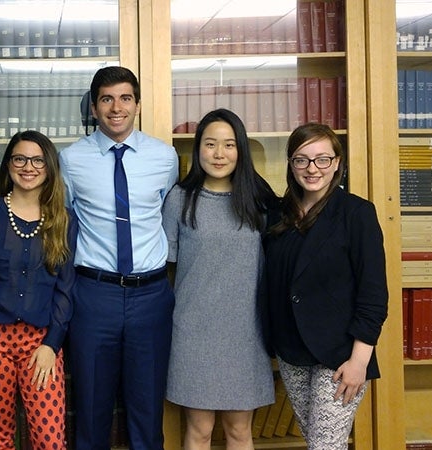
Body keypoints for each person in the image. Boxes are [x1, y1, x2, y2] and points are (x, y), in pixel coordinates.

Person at [58, 65, 178, 450]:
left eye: (125, 98)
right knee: (91, 411)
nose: (116, 107)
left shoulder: (165, 157)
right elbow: (65, 221)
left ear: (137, 104)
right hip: (94, 296)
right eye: (107, 99)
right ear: (94, 108)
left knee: (146, 412)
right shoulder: (71, 160)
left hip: (151, 296)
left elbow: (166, 215)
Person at [263, 123, 388, 450]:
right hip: (291, 350)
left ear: (337, 163)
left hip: (340, 354)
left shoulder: (357, 213)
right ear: (291, 164)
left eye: (322, 159)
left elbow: (374, 294)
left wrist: (359, 361)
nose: (312, 168)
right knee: (319, 442)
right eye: (301, 160)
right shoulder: (280, 215)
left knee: (325, 446)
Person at [162, 109, 276, 450]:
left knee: (240, 431)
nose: (219, 153)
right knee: (199, 431)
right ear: (198, 150)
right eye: (210, 144)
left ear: (240, 149)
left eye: (228, 145)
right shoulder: (180, 199)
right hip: (193, 333)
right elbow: (166, 269)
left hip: (246, 333)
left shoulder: (259, 200)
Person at [0, 130, 78, 450]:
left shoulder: (64, 220)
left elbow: (65, 290)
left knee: (50, 441)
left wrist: (52, 344)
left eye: (38, 160)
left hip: (40, 343)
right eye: (20, 158)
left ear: (50, 167)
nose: (29, 167)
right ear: (9, 165)